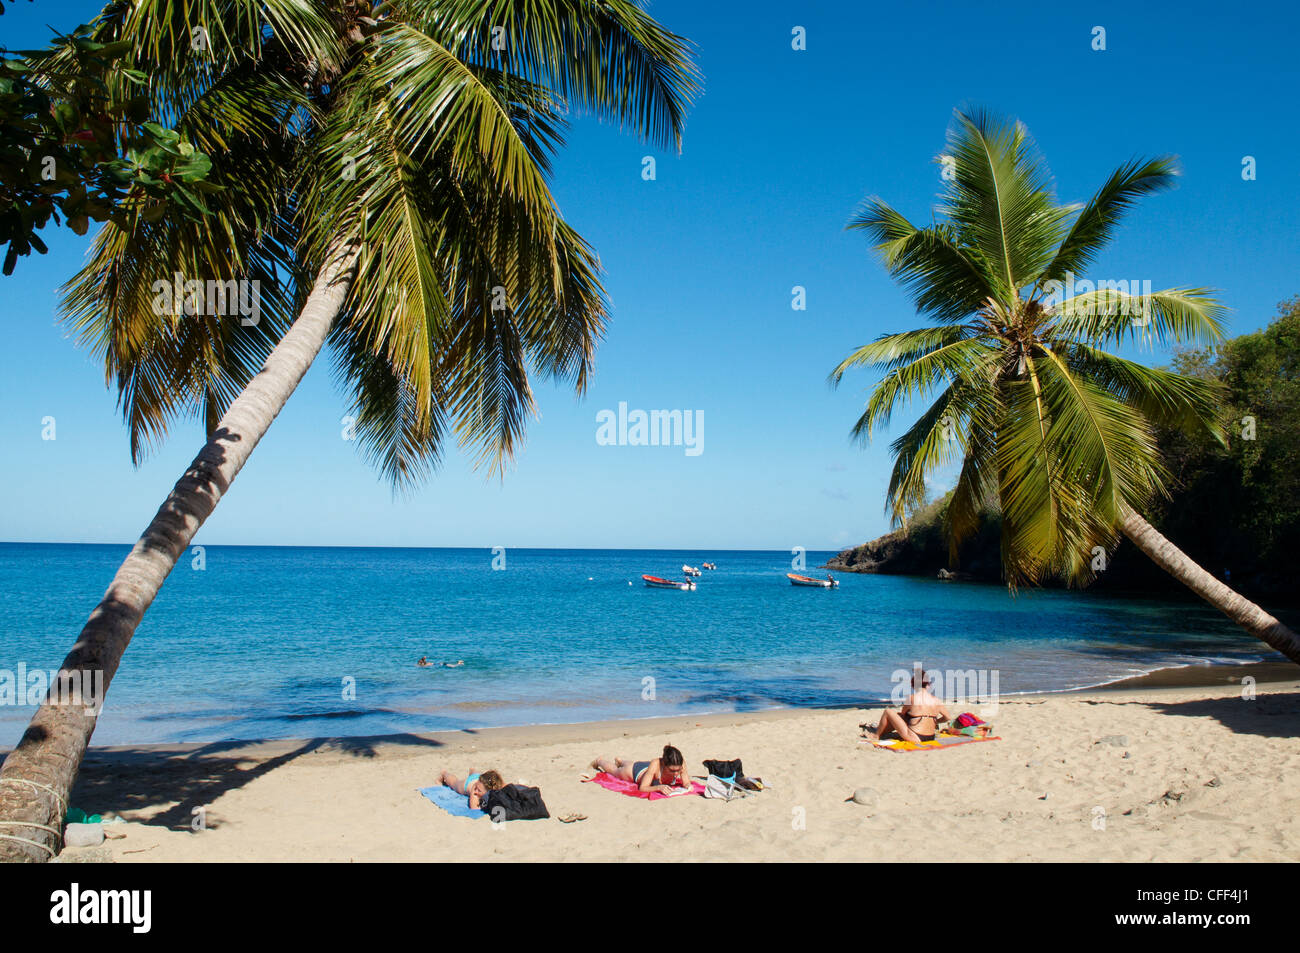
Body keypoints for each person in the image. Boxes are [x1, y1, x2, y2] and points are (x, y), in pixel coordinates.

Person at [863, 670, 951, 743]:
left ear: (913, 685)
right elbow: (947, 717)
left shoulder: (912, 698)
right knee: (905, 717)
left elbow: (903, 714)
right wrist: (936, 722)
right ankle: (882, 731)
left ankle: (876, 735)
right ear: (928, 685)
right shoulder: (936, 700)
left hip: (915, 737)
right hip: (931, 737)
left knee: (888, 712)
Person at [590, 745, 691, 795]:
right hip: (634, 772)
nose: (676, 773)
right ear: (664, 763)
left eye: (678, 770)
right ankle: (599, 761)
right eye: (672, 771)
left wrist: (688, 786)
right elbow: (642, 788)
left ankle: (620, 761)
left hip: (647, 768)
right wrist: (658, 788)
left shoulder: (680, 763)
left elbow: (686, 782)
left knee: (631, 763)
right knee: (615, 771)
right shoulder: (656, 763)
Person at [439, 769, 504, 810]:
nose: (476, 791)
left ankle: (472, 770)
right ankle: (444, 773)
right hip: (468, 783)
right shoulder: (475, 790)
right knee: (454, 783)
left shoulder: (494, 788)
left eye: (479, 790)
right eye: (477, 789)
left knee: (475, 773)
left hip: (478, 777)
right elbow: (474, 808)